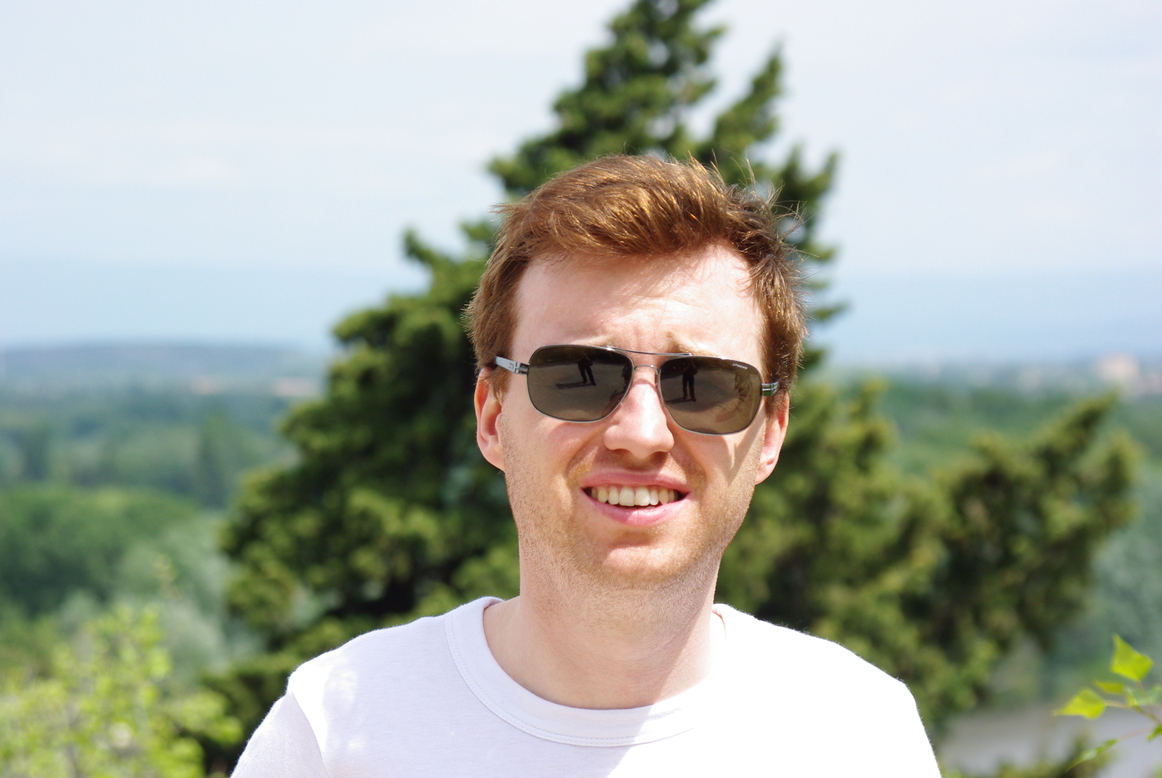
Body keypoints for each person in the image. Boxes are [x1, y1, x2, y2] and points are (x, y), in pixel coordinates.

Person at [232, 156, 941, 776]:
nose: (641, 434)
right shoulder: (336, 731)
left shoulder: (859, 737)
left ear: (770, 432)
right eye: (578, 378)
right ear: (492, 416)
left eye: (703, 385)